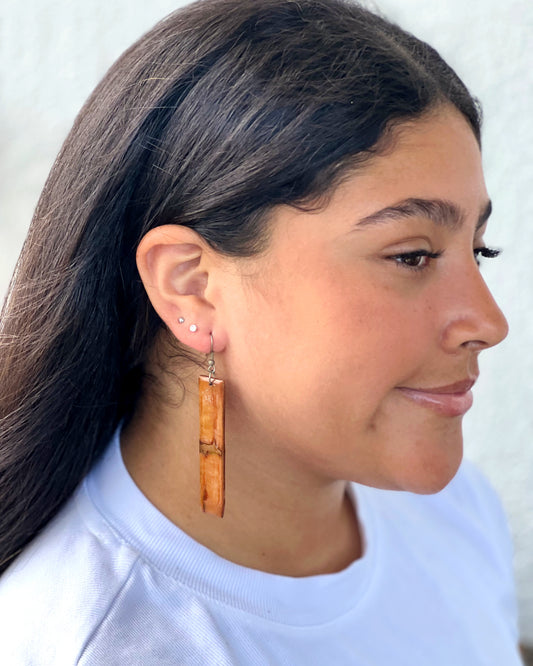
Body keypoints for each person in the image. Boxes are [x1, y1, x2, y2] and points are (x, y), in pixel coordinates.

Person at [0, 0, 522, 663]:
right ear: (192, 285)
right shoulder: (93, 643)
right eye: (412, 256)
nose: (488, 323)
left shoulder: (456, 514)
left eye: (478, 250)